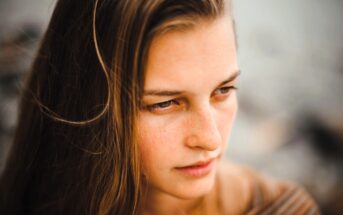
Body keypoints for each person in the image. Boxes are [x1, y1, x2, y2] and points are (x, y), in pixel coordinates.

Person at [0, 0, 320, 214]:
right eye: (165, 103)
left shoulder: (277, 208)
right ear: (89, 105)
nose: (211, 140)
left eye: (223, 90)